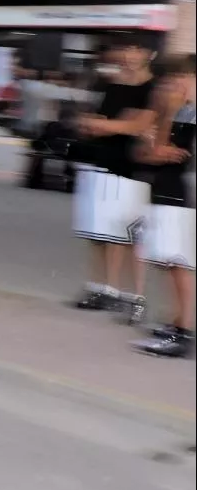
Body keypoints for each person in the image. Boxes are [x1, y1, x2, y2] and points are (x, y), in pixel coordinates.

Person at [73, 34, 158, 325]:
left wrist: (110, 125)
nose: (128, 56)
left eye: (135, 50)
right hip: (103, 162)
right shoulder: (111, 85)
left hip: (135, 167)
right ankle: (103, 288)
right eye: (125, 49)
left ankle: (134, 297)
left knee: (129, 234)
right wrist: (111, 125)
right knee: (99, 230)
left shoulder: (153, 88)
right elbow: (92, 122)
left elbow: (138, 125)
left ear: (149, 54)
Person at [133, 54, 195, 357]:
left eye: (180, 78)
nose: (173, 85)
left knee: (178, 263)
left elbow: (161, 151)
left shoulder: (189, 114)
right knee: (169, 262)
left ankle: (184, 331)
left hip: (182, 194)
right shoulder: (182, 112)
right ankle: (177, 324)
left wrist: (166, 117)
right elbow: (149, 153)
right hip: (167, 190)